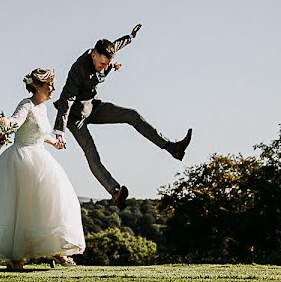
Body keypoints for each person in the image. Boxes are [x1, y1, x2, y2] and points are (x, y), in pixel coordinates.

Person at [0, 68, 85, 271]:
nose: (53, 88)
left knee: (50, 205)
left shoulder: (43, 108)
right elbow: (16, 121)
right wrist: (3, 123)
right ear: (38, 86)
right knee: (22, 209)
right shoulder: (27, 104)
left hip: (41, 158)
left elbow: (40, 133)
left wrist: (54, 142)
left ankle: (57, 250)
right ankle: (17, 260)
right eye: (50, 84)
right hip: (22, 159)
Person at [53, 23, 192, 209]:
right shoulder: (78, 69)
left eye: (107, 64)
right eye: (102, 63)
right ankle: (115, 191)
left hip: (92, 106)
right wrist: (59, 131)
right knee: (92, 153)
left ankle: (172, 147)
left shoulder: (104, 54)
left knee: (131, 115)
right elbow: (67, 98)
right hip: (74, 116)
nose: (104, 67)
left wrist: (131, 36)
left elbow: (118, 44)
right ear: (93, 55)